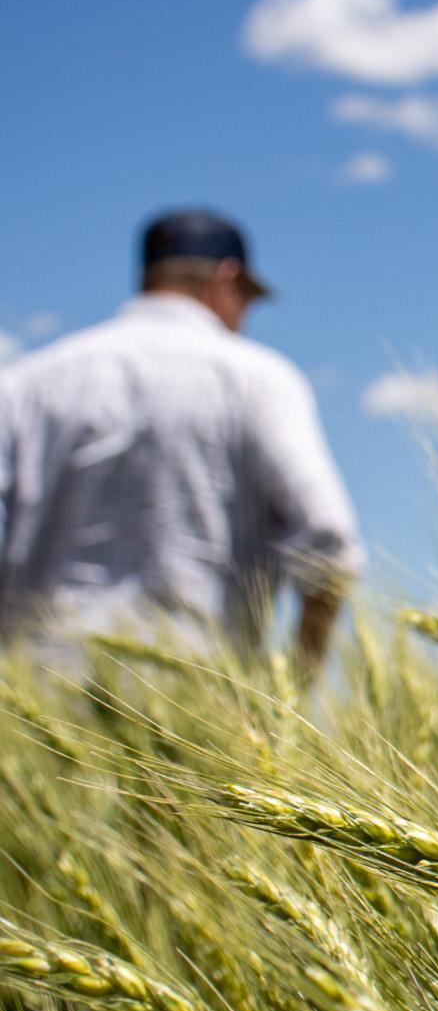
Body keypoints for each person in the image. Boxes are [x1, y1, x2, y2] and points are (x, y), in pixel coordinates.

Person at [0, 210, 362, 672]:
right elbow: (330, 540)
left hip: (39, 692)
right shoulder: (259, 380)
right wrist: (298, 685)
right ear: (227, 279)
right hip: (195, 693)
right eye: (248, 298)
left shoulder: (25, 386)